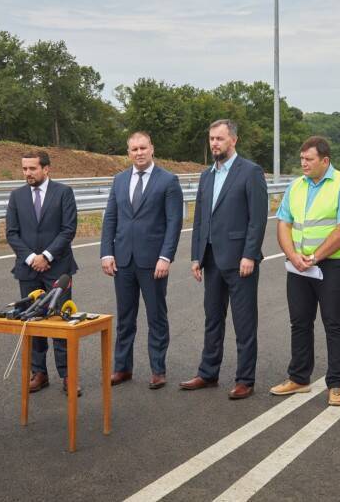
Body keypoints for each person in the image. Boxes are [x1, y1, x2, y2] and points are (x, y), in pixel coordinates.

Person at [270, 137, 340, 407]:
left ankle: (337, 383)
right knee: (299, 322)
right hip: (299, 266)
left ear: (325, 160)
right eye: (301, 159)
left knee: (334, 322)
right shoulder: (296, 185)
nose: (303, 164)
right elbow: (283, 223)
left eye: (309, 160)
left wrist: (315, 257)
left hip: (332, 265)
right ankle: (299, 377)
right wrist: (293, 256)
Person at [180, 119, 268, 400]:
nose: (214, 143)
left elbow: (258, 218)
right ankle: (208, 373)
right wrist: (195, 256)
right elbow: (200, 218)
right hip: (211, 259)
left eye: (219, 138)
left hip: (240, 260)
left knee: (244, 322)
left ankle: (245, 379)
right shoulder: (206, 176)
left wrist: (250, 254)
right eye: (211, 139)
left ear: (233, 140)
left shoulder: (251, 172)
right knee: (212, 319)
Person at [101, 132, 184, 390]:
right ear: (128, 152)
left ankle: (158, 370)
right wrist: (106, 252)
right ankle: (122, 368)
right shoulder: (119, 180)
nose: (139, 153)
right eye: (134, 149)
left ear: (152, 149)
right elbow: (110, 219)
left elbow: (174, 222)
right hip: (123, 260)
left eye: (143, 148)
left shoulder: (168, 181)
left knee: (156, 316)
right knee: (125, 317)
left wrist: (165, 256)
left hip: (153, 261)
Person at [6, 150, 80, 396]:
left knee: (60, 322)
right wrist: (31, 258)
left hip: (57, 268)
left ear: (46, 169)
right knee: (33, 322)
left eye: (32, 169)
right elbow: (12, 233)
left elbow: (68, 229)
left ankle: (68, 375)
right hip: (28, 270)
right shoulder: (16, 196)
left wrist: (46, 256)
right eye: (24, 169)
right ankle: (39, 372)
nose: (27, 173)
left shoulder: (63, 193)